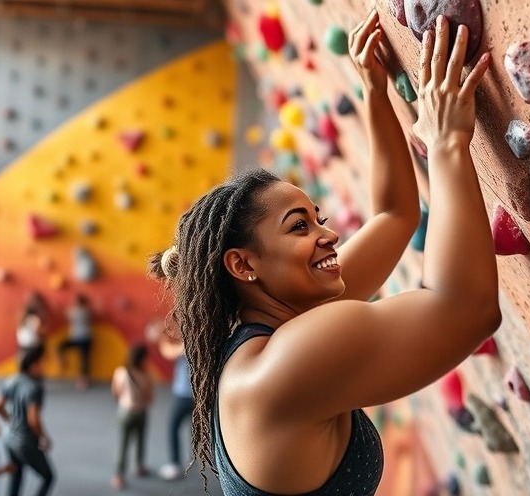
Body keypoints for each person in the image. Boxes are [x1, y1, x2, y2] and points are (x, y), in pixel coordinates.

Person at [147, 11, 499, 495]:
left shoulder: (278, 324)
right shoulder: (287, 361)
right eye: (299, 227)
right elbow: (468, 311)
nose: (328, 236)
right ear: (244, 265)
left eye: (319, 219)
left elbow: (395, 217)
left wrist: (375, 93)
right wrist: (445, 144)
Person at [0, 346, 54, 496]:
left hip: (9, 438)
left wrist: (10, 420)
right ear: (34, 365)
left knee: (16, 474)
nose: (45, 367)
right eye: (42, 363)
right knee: (48, 477)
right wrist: (43, 437)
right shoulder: (35, 387)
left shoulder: (11, 380)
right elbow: (33, 420)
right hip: (25, 442)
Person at [110, 343, 154, 490]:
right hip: (141, 412)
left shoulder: (121, 372)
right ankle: (138, 466)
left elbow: (115, 392)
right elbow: (149, 398)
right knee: (141, 440)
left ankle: (118, 475)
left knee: (123, 444)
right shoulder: (146, 376)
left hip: (125, 412)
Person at [154, 322, 194, 481]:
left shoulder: (187, 347)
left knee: (173, 427)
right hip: (199, 396)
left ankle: (175, 465)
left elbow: (168, 352)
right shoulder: (204, 344)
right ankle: (196, 457)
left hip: (185, 395)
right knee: (196, 427)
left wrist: (160, 337)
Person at [57, 294, 93, 390]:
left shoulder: (84, 311)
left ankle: (84, 380)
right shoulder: (77, 311)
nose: (75, 303)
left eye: (77, 301)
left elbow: (69, 315)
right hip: (75, 338)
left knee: (84, 360)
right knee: (61, 347)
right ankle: (63, 362)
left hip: (85, 338)